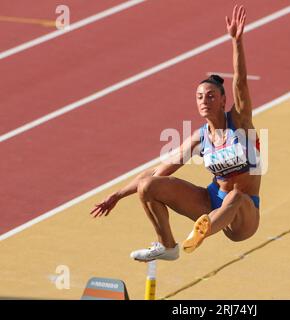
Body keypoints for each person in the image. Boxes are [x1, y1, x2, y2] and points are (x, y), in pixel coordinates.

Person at [90, 5, 261, 262]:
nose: (205, 100)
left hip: (243, 216)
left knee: (235, 196)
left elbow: (241, 82)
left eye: (211, 96)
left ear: (224, 99)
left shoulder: (240, 122)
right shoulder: (200, 137)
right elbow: (158, 171)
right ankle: (168, 246)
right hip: (211, 201)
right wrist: (117, 195)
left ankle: (201, 233)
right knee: (149, 186)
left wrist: (237, 42)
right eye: (200, 97)